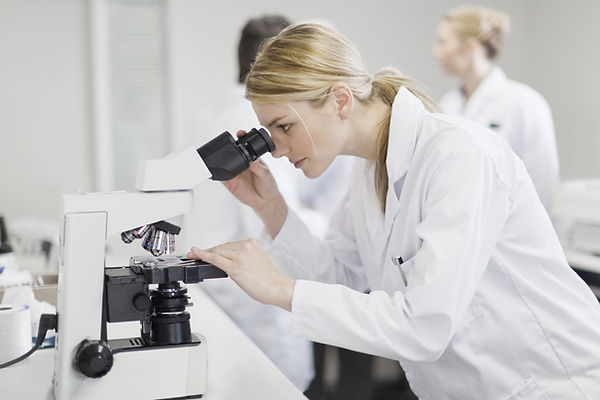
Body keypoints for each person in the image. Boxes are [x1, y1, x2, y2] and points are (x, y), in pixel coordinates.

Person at [187, 23, 600, 399]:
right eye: (267, 132)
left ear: (340, 100)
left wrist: (280, 289)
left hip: (550, 384)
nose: (273, 149)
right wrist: (270, 206)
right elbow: (342, 277)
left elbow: (424, 325)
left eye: (284, 127)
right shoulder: (369, 171)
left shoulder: (459, 156)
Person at [181, 15, 316, 391]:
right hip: (258, 316)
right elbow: (272, 225)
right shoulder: (261, 123)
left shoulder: (207, 116)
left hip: (217, 301)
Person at [433, 5, 560, 212]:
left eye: (443, 42)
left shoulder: (524, 103)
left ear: (470, 48)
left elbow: (542, 183)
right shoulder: (447, 105)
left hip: (511, 236)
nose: (436, 52)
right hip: (460, 228)